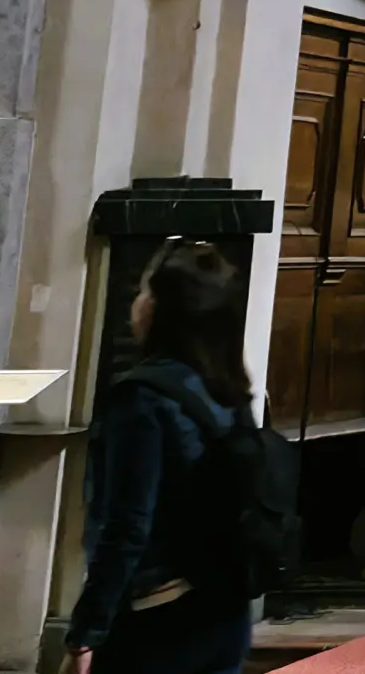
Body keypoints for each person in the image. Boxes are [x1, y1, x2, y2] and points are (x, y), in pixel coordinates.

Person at [69, 242, 262, 674]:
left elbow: (126, 525)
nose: (136, 303)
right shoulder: (232, 391)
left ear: (158, 310)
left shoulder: (140, 398)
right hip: (225, 607)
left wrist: (87, 633)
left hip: (158, 612)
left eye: (143, 292)